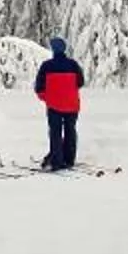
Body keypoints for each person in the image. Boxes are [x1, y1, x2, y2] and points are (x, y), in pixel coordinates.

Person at [35, 36, 84, 171]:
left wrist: (47, 98)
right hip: (72, 105)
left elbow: (39, 87)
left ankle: (56, 161)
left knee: (55, 133)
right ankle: (69, 160)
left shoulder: (46, 66)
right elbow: (80, 82)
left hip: (54, 106)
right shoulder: (73, 64)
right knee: (70, 131)